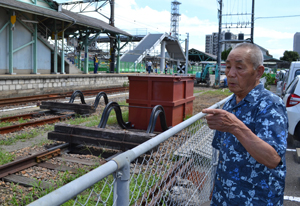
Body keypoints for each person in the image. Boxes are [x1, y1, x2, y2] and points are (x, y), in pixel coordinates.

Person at [202, 43, 288, 205]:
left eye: (240, 67)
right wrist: (216, 187)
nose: (231, 74)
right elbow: (224, 156)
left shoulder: (270, 104)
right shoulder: (230, 103)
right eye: (228, 67)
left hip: (255, 199)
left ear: (258, 72)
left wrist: (235, 127)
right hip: (224, 197)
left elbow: (272, 159)